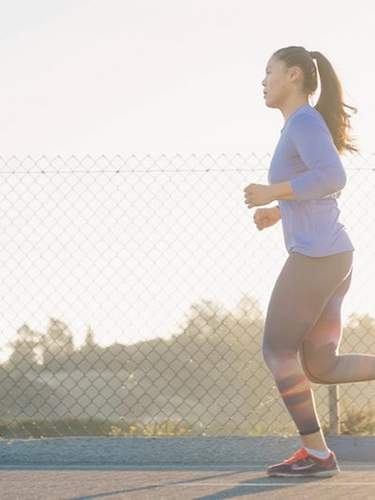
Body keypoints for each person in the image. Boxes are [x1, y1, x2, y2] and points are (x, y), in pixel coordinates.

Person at [243, 45, 375, 478]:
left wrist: (273, 192)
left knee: (277, 350)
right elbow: (321, 188)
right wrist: (278, 211)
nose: (263, 81)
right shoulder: (299, 126)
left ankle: (317, 454)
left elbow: (333, 176)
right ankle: (316, 454)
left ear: (294, 75)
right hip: (332, 255)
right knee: (321, 365)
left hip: (318, 257)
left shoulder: (302, 122)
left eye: (269, 72)